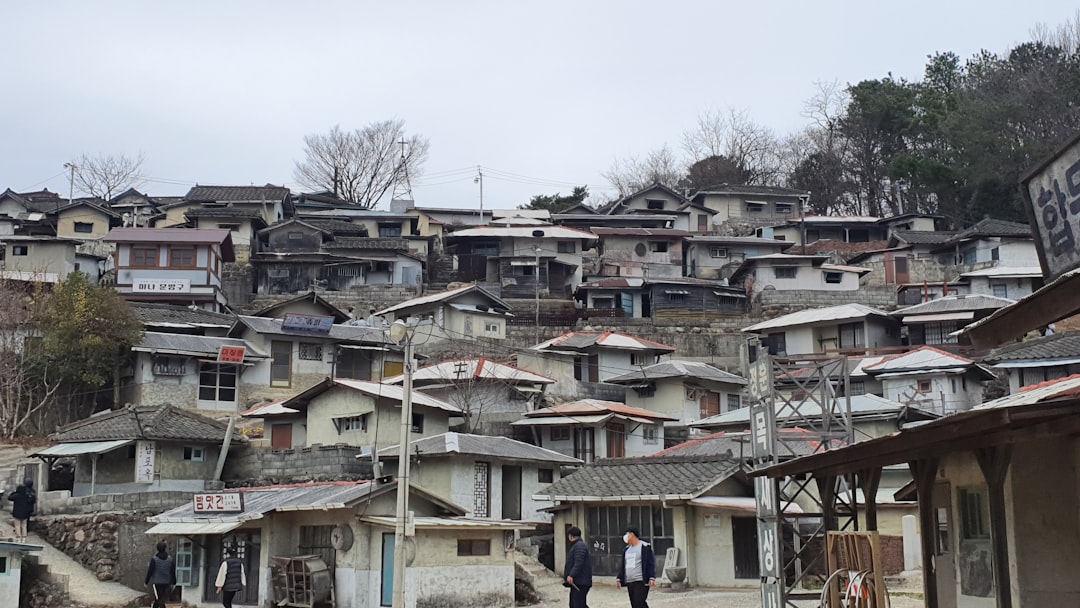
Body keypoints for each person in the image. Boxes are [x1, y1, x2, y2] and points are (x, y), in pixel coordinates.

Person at [615, 527, 656, 608]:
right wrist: (619, 578)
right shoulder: (626, 549)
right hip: (630, 581)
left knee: (639, 602)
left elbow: (650, 563)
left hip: (641, 580)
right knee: (634, 604)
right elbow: (623, 565)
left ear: (632, 535)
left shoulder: (645, 547)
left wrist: (652, 577)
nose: (626, 536)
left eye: (627, 534)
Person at [563, 526, 592, 608]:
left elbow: (579, 562)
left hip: (581, 582)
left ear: (570, 536)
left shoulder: (579, 546)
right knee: (576, 604)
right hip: (578, 582)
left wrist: (571, 575)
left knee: (577, 605)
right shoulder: (577, 545)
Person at [145, 541, 176, 608]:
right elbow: (172, 571)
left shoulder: (154, 559)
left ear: (157, 548)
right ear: (165, 548)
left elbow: (150, 571)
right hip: (167, 582)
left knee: (159, 598)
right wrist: (174, 582)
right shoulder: (170, 559)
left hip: (157, 582)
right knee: (162, 598)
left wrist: (146, 582)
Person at [7, 478, 36, 543]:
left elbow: (9, 497)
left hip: (17, 513)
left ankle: (18, 538)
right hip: (25, 513)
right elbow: (32, 501)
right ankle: (24, 538)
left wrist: (14, 491)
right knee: (24, 526)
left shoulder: (16, 496)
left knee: (17, 526)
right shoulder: (28, 495)